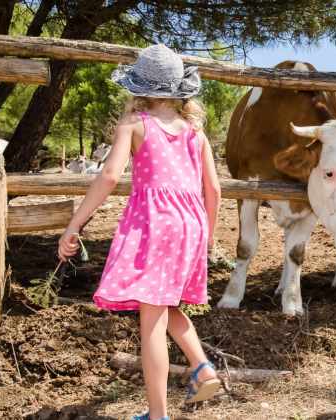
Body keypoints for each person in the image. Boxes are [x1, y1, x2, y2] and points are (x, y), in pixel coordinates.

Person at [57, 44, 222, 420]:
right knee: (163, 306)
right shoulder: (196, 134)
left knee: (150, 323)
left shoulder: (134, 125)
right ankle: (202, 367)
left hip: (155, 224)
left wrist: (74, 223)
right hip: (191, 224)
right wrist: (208, 236)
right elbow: (213, 189)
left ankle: (158, 415)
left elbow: (110, 176)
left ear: (139, 87)